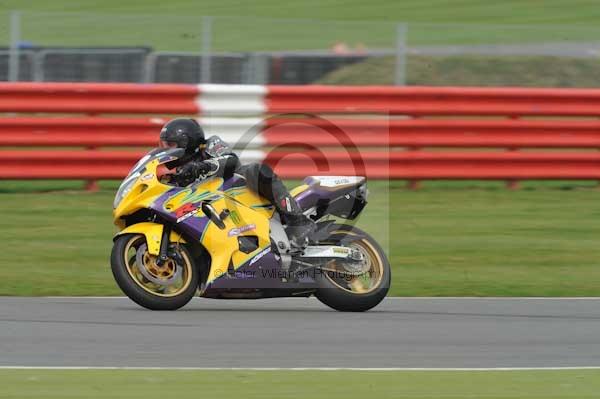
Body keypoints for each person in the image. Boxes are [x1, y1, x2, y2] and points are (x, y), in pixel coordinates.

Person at [158, 118, 315, 249]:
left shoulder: (209, 144)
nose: (165, 150)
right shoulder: (176, 170)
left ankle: (299, 222)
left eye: (170, 145)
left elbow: (231, 160)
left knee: (255, 169)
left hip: (241, 196)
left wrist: (201, 167)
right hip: (217, 218)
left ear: (188, 142)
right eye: (163, 145)